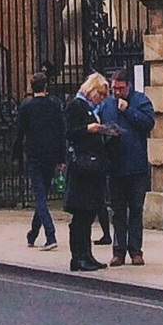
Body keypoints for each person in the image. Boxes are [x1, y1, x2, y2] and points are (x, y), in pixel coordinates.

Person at [99, 68, 156, 267]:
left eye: (120, 89)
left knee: (136, 210)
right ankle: (118, 251)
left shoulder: (140, 101)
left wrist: (129, 110)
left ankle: (136, 250)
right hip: (115, 166)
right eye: (114, 89)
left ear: (128, 86)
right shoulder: (107, 104)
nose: (116, 92)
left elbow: (149, 123)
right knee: (118, 211)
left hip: (136, 165)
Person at [63, 72, 117, 272]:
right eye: (100, 94)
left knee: (88, 214)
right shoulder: (76, 106)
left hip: (92, 168)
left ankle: (87, 255)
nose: (101, 98)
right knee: (81, 215)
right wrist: (88, 128)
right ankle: (78, 257)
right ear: (91, 89)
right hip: (81, 168)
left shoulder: (91, 109)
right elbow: (69, 132)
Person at [14, 70, 65, 250]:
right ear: (46, 86)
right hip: (50, 155)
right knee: (41, 195)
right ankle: (33, 233)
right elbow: (61, 132)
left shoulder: (26, 107)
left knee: (40, 197)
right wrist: (61, 157)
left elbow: (20, 133)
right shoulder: (55, 105)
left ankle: (50, 235)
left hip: (34, 155)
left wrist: (16, 156)